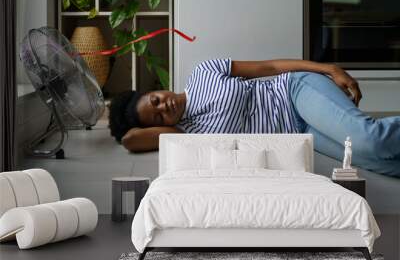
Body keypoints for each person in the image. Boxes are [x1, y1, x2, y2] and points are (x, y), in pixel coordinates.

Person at [109, 58, 400, 177]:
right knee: (373, 161)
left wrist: (328, 68)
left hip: (294, 92)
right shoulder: (187, 135)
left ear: (155, 89)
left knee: (369, 140)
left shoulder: (204, 72)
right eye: (157, 116)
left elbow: (270, 67)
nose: (164, 106)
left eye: (155, 100)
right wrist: (142, 124)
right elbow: (130, 140)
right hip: (299, 131)